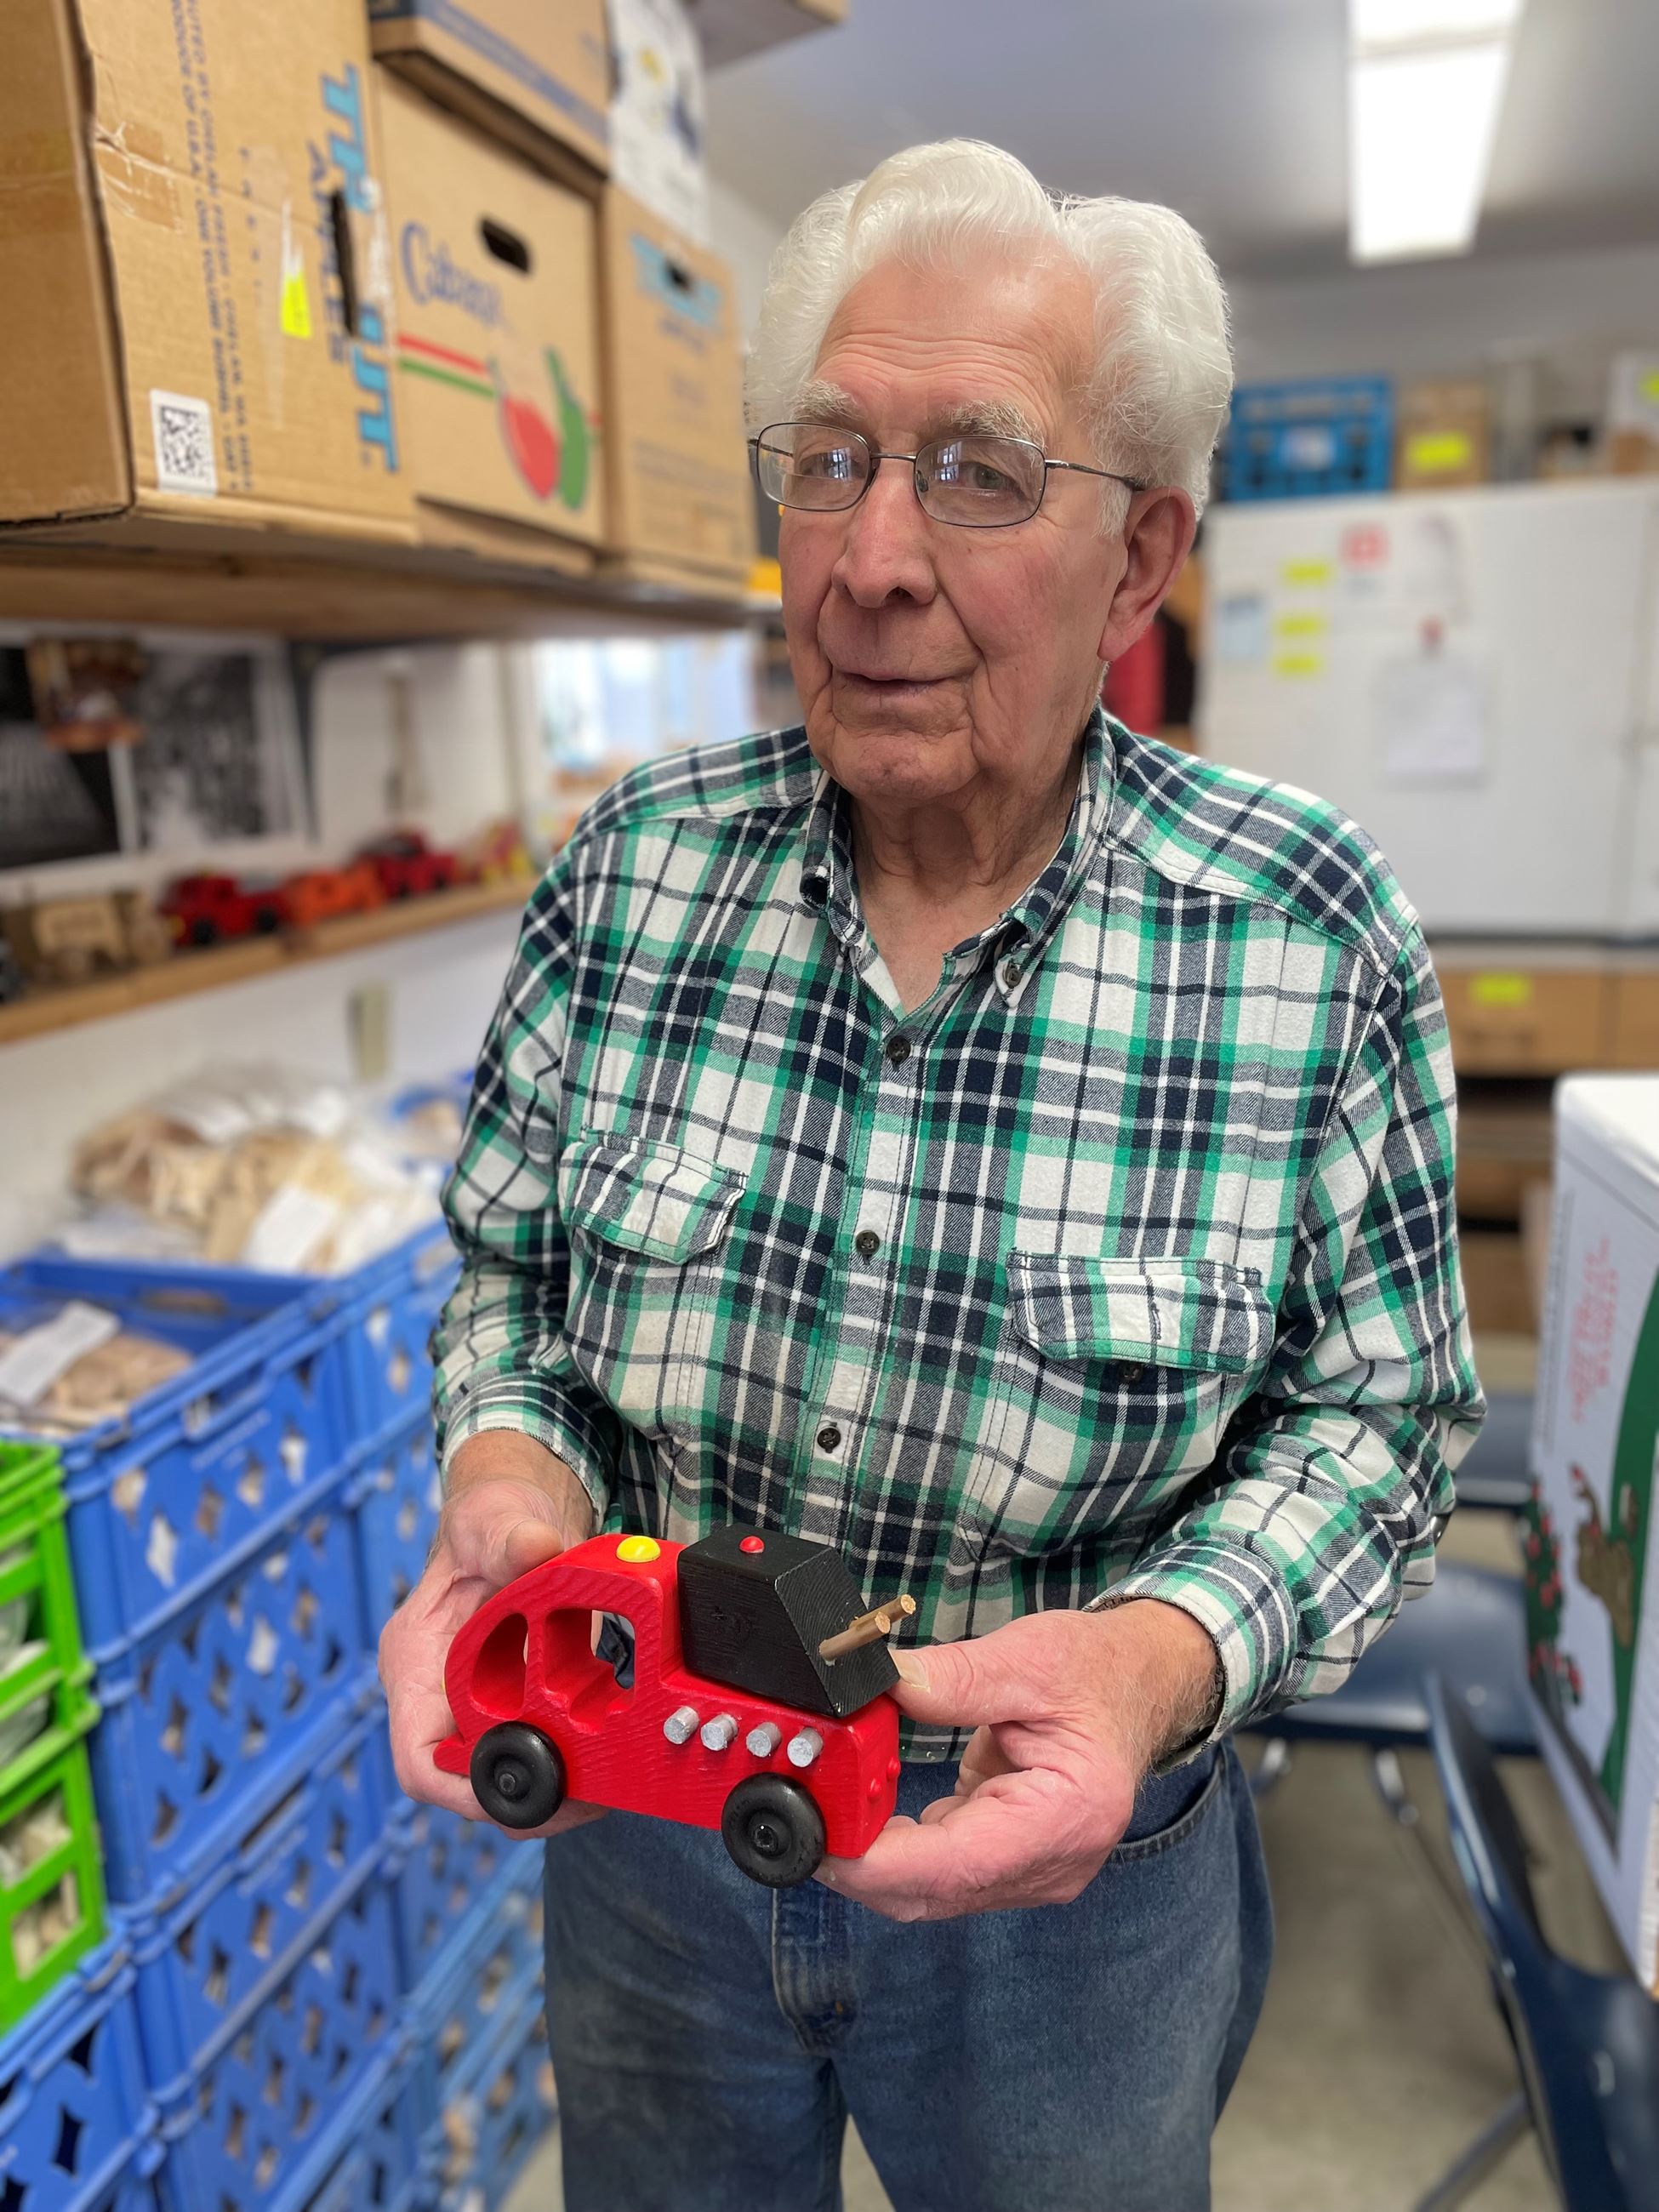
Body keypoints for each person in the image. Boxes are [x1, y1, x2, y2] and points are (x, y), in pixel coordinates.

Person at [381, 140, 1483, 2211]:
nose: (873, 556)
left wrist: (1160, 1658)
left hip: (1066, 1896)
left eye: (978, 472)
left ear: (1140, 561)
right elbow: (511, 1286)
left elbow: (1385, 1423)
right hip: (651, 1825)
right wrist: (505, 1484)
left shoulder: (1304, 933)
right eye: (829, 460)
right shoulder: (632, 872)